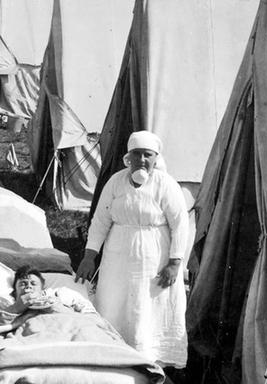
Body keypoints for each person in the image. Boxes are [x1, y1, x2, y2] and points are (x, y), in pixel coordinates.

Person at [75, 130, 190, 368]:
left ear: (155, 157)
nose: (142, 160)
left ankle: (149, 358)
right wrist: (89, 256)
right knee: (114, 301)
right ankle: (111, 352)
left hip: (154, 259)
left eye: (147, 155)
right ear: (129, 157)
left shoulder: (165, 185)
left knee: (146, 306)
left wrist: (174, 263)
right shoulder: (116, 181)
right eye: (136, 154)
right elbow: (100, 220)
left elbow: (180, 224)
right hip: (118, 256)